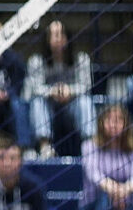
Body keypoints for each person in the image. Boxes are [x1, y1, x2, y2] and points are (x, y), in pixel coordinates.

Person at [24, 20, 95, 155]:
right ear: (47, 39)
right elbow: (34, 88)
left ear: (68, 37)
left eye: (61, 34)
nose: (58, 38)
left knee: (85, 101)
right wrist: (53, 91)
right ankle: (45, 146)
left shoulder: (81, 58)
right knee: (37, 101)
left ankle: (89, 147)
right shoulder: (36, 60)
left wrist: (70, 91)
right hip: (49, 107)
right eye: (54, 34)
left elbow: (86, 86)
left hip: (72, 105)